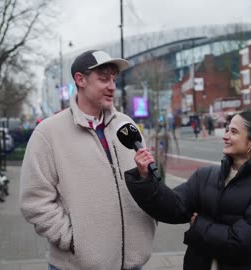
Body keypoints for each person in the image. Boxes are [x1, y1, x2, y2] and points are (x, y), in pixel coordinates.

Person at [19, 50, 156, 270]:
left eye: (113, 79)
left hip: (132, 263)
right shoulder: (49, 133)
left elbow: (148, 180)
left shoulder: (126, 124)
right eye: (103, 78)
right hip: (77, 265)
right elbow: (34, 200)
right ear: (80, 80)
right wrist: (73, 241)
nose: (112, 86)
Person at [125, 110, 251, 270]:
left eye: (234, 132)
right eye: (227, 129)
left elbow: (243, 242)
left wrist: (199, 226)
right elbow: (173, 207)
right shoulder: (206, 176)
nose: (225, 136)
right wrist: (146, 179)